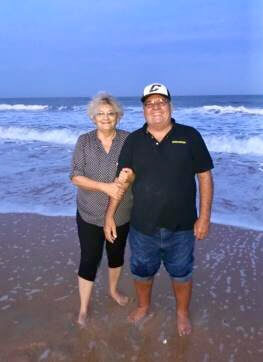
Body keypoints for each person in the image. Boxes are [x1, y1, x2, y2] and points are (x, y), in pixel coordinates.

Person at [104, 83, 214, 336]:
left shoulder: (190, 135)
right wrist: (110, 215)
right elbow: (122, 180)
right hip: (143, 225)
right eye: (150, 103)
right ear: (143, 110)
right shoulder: (133, 140)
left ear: (170, 106)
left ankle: (182, 312)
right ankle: (144, 307)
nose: (155, 108)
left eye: (161, 102)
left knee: (181, 272)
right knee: (142, 270)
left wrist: (204, 217)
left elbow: (204, 176)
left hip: (183, 225)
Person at [70, 92, 133, 327]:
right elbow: (75, 176)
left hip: (121, 213)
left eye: (110, 114)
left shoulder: (129, 140)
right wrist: (104, 187)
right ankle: (84, 308)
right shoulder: (84, 141)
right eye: (100, 114)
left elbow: (134, 174)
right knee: (89, 259)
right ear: (93, 118)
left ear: (118, 116)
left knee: (116, 255)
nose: (106, 118)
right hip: (88, 212)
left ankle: (113, 291)